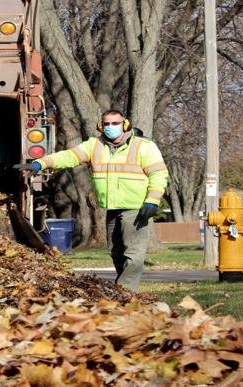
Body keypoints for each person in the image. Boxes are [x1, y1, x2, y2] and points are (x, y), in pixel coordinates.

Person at [29, 109, 169, 291]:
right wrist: (42, 162)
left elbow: (158, 174)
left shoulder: (143, 146)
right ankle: (125, 290)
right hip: (112, 208)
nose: (111, 127)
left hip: (136, 208)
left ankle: (124, 291)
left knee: (133, 253)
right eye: (107, 124)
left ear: (125, 125)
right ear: (101, 126)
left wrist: (152, 201)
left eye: (115, 123)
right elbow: (70, 156)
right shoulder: (94, 145)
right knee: (116, 253)